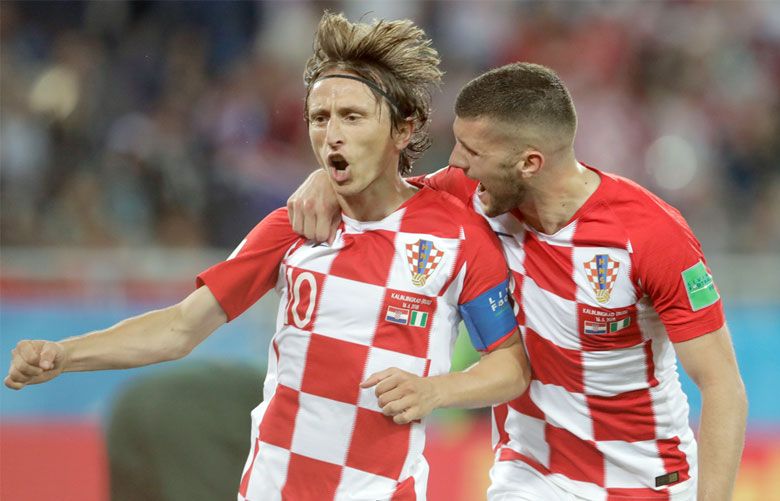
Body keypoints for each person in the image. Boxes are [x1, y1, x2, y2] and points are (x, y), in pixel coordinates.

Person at [4, 12, 531, 501]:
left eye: (352, 116)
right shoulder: (292, 227)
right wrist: (65, 354)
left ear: (403, 129)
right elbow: (178, 329)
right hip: (273, 489)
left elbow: (510, 366)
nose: (332, 135)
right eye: (319, 117)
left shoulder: (458, 233)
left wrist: (436, 390)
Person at [287, 62, 747, 500]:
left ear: (529, 163)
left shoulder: (652, 236)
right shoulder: (472, 193)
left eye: (472, 151)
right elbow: (386, 196)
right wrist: (326, 180)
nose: (456, 162)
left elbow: (722, 385)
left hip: (648, 480)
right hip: (529, 476)